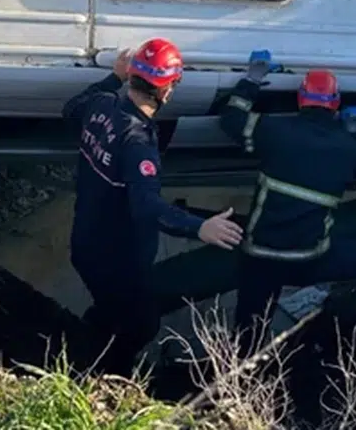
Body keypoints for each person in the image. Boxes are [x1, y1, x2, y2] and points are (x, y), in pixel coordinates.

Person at [63, 37, 244, 376]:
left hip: (86, 242)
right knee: (141, 325)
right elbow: (146, 206)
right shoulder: (139, 143)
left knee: (112, 308)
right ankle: (107, 374)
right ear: (168, 90)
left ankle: (93, 331)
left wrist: (111, 78)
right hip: (118, 259)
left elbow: (71, 109)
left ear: (131, 75)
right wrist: (199, 227)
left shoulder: (101, 104)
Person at [219, 49, 356, 353]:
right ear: (335, 104)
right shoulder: (349, 150)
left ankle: (238, 382)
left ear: (300, 99)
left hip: (260, 258)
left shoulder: (274, 130)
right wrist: (352, 133)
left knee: (248, 335)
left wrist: (252, 79)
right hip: (310, 260)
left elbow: (230, 120)